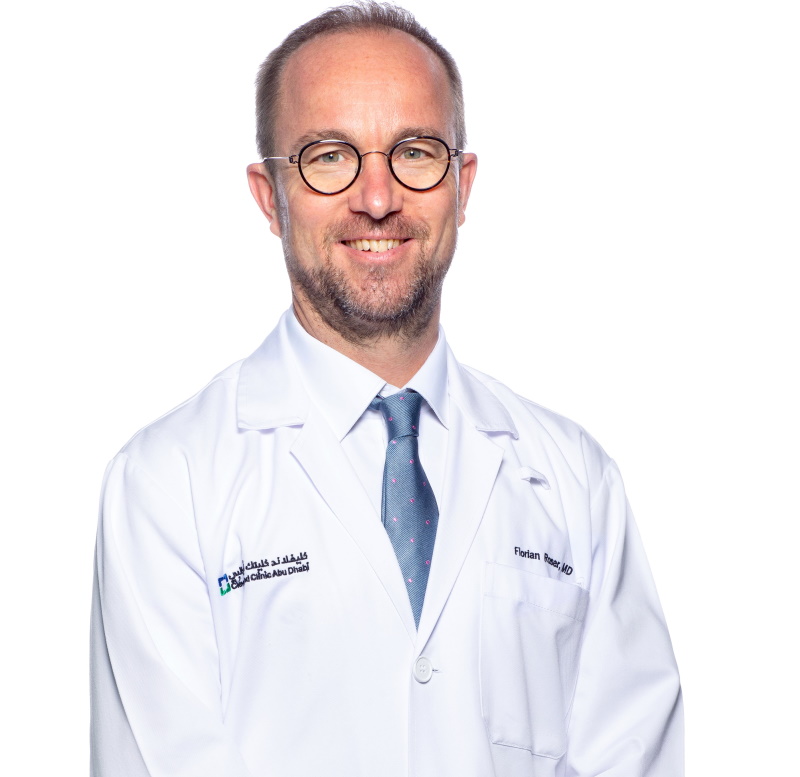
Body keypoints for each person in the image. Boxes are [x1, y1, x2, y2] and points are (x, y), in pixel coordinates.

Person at [90, 3, 683, 775]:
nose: (377, 197)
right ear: (270, 197)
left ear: (462, 185)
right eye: (329, 156)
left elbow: (631, 751)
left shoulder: (575, 479)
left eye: (415, 152)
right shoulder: (168, 483)